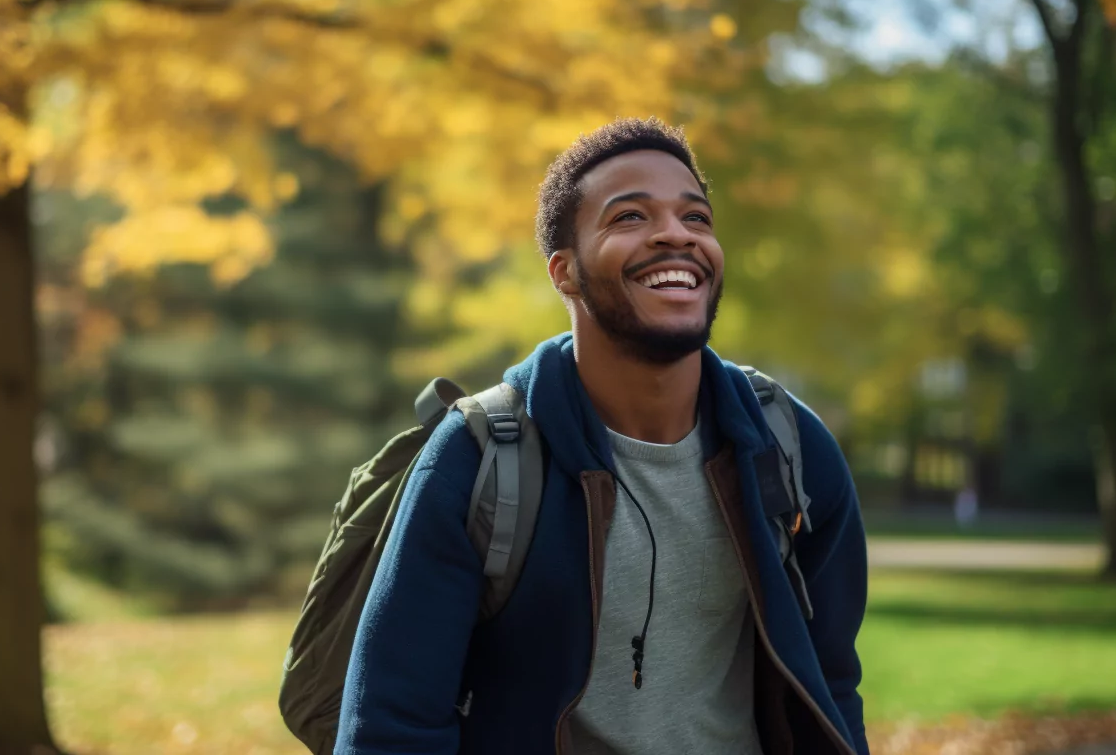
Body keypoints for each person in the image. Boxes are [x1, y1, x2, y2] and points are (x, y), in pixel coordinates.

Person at [335, 118, 869, 755]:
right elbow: (391, 727)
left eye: (695, 217)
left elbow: (830, 685)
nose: (676, 234)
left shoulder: (787, 444)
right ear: (564, 273)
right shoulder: (480, 460)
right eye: (630, 218)